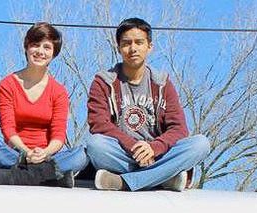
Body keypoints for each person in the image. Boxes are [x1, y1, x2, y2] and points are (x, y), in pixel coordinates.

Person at [87, 17, 210, 192]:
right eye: (126, 43)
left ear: (149, 46)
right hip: (124, 154)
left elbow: (179, 129)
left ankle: (125, 182)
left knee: (201, 144)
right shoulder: (103, 82)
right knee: (96, 145)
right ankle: (164, 177)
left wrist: (154, 148)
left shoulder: (162, 83)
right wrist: (133, 147)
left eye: (139, 42)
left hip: (158, 154)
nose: (133, 48)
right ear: (118, 48)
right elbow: (99, 124)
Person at [0, 22, 86, 188]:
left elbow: (58, 135)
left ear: (54, 53)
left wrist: (44, 153)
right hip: (16, 155)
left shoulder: (59, 91)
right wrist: (26, 152)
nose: (40, 52)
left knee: (81, 155)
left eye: (47, 47)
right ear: (27, 47)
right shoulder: (7, 85)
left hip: (47, 156)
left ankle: (17, 176)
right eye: (35, 45)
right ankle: (49, 177)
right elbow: (8, 129)